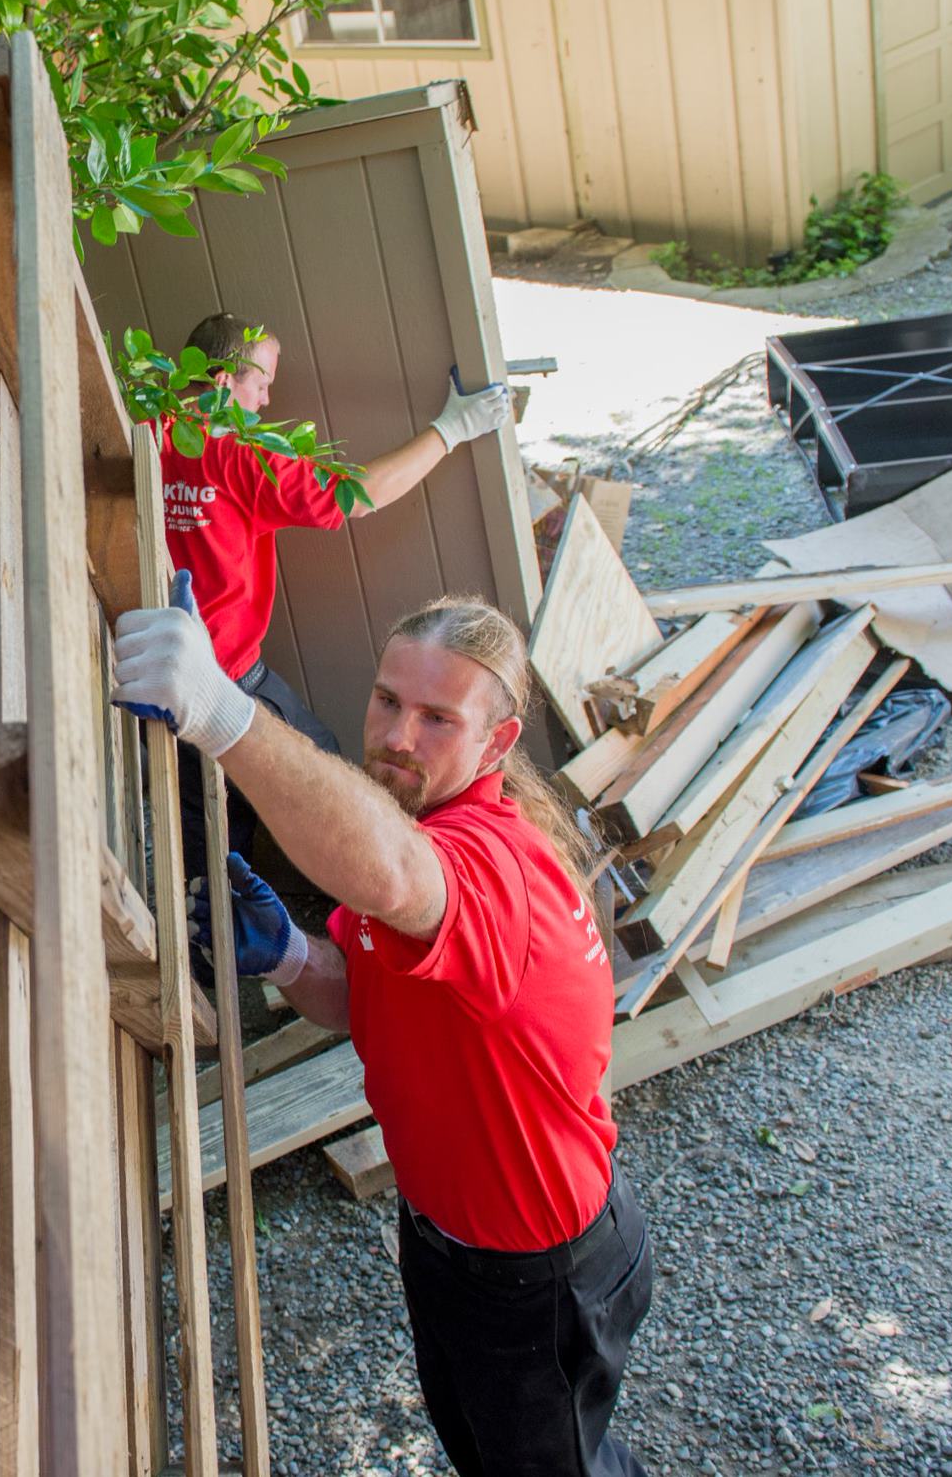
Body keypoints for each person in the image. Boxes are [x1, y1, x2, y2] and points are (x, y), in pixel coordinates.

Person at [113, 591, 654, 1477]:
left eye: (439, 718)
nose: (399, 735)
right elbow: (372, 1003)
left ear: (498, 743)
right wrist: (292, 957)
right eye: (388, 700)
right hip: (455, 1242)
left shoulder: (480, 865)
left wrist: (218, 711)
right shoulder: (425, 840)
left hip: (540, 1278)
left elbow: (398, 874)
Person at [158, 311, 511, 876]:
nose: (267, 402)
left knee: (212, 814)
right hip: (225, 675)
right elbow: (356, 496)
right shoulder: (239, 455)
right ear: (223, 381)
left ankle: (214, 926)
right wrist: (452, 429)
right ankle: (370, 892)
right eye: (262, 384)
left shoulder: (148, 430)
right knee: (322, 769)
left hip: (162, 666)